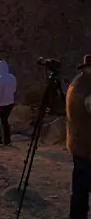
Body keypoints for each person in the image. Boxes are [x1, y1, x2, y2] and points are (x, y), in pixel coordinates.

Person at [67, 54, 91, 219]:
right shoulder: (88, 91)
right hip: (88, 147)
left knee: (79, 191)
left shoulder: (77, 84)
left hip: (78, 145)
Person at [0, 60, 17, 146]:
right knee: (5, 122)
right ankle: (7, 141)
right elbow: (14, 90)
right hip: (10, 103)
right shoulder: (12, 77)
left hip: (0, 104)